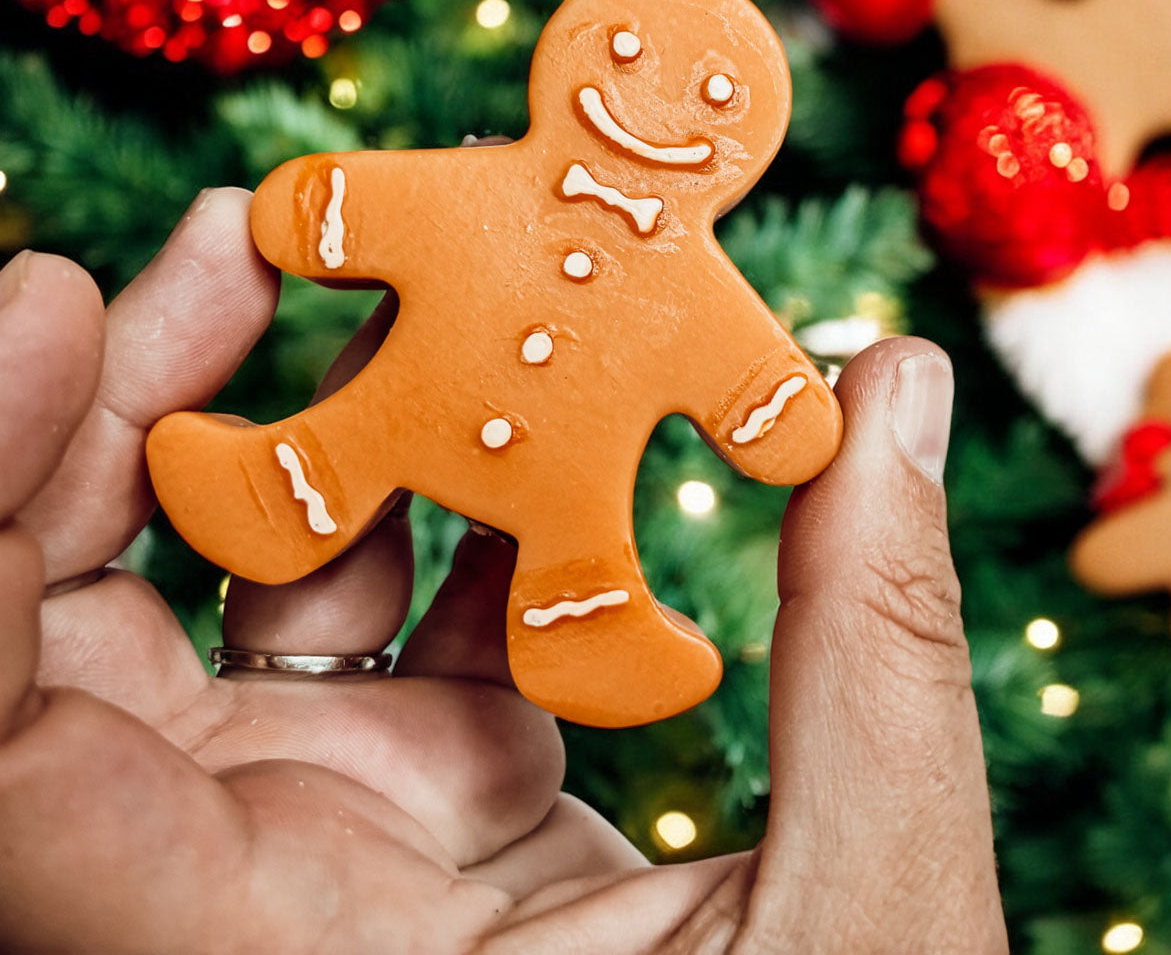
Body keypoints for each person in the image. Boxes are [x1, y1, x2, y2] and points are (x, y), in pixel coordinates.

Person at [0, 188, 1008, 952]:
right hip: (416, 404)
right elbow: (352, 211)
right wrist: (330, 207)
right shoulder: (493, 193)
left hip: (565, 472)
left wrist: (779, 409)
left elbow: (763, 397)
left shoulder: (690, 279)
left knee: (576, 540)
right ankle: (266, 485)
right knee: (351, 445)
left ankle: (593, 625)